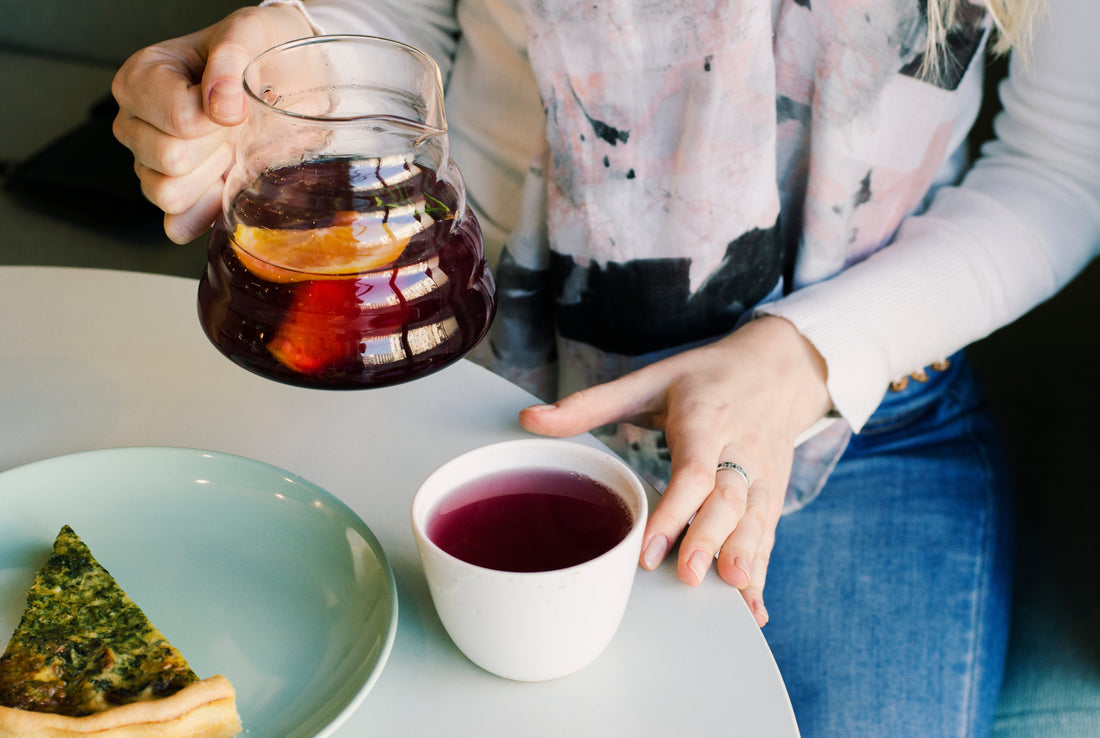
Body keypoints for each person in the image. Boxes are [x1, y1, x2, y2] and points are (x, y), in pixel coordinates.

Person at [112, 0, 1100, 734]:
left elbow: (1062, 167)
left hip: (868, 418)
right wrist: (297, 78)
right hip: (487, 379)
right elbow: (398, 26)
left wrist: (805, 357)